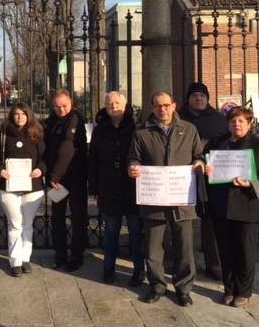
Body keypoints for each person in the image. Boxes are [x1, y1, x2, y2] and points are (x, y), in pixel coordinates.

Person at [128, 91, 204, 307]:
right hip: (154, 199)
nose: (162, 109)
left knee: (185, 246)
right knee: (153, 248)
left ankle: (184, 288)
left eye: (166, 105)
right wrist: (132, 168)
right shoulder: (142, 132)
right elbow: (133, 157)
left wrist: (199, 164)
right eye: (158, 105)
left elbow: (198, 155)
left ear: (174, 105)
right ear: (152, 108)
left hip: (182, 199)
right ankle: (157, 286)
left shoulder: (189, 129)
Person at [204, 107, 259, 308]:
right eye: (233, 121)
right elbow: (203, 161)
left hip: (247, 206)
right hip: (221, 205)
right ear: (227, 123)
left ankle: (243, 292)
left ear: (249, 123)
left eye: (241, 121)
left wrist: (250, 184)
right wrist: (205, 166)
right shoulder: (217, 143)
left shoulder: (258, 145)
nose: (236, 124)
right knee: (226, 251)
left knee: (246, 252)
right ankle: (229, 289)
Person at [88, 91, 144, 286]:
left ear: (125, 104)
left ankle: (139, 270)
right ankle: (108, 268)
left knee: (136, 231)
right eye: (109, 103)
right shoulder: (99, 129)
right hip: (109, 187)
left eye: (117, 102)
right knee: (111, 231)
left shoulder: (137, 127)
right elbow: (93, 160)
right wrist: (93, 187)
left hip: (132, 188)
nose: (113, 105)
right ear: (105, 105)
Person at [179, 81, 228, 280]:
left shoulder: (218, 119)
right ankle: (182, 262)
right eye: (195, 95)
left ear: (207, 99)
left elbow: (225, 144)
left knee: (210, 220)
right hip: (183, 176)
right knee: (182, 220)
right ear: (188, 99)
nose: (199, 98)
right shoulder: (178, 117)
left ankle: (214, 263)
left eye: (202, 95)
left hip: (211, 176)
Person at [0, 103, 46, 277]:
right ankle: (15, 261)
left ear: (28, 115)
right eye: (16, 114)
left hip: (32, 187)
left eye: (23, 114)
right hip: (9, 187)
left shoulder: (36, 134)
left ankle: (25, 259)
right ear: (11, 116)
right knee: (15, 224)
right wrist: (0, 170)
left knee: (27, 224)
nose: (20, 117)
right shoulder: (3, 133)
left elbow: (44, 158)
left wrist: (40, 169)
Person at [44, 89, 88, 272]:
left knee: (78, 218)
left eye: (64, 106)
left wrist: (55, 175)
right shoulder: (50, 122)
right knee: (57, 218)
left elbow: (67, 148)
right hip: (57, 180)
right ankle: (60, 254)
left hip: (74, 176)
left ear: (71, 103)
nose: (61, 109)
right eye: (57, 106)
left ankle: (77, 256)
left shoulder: (76, 119)